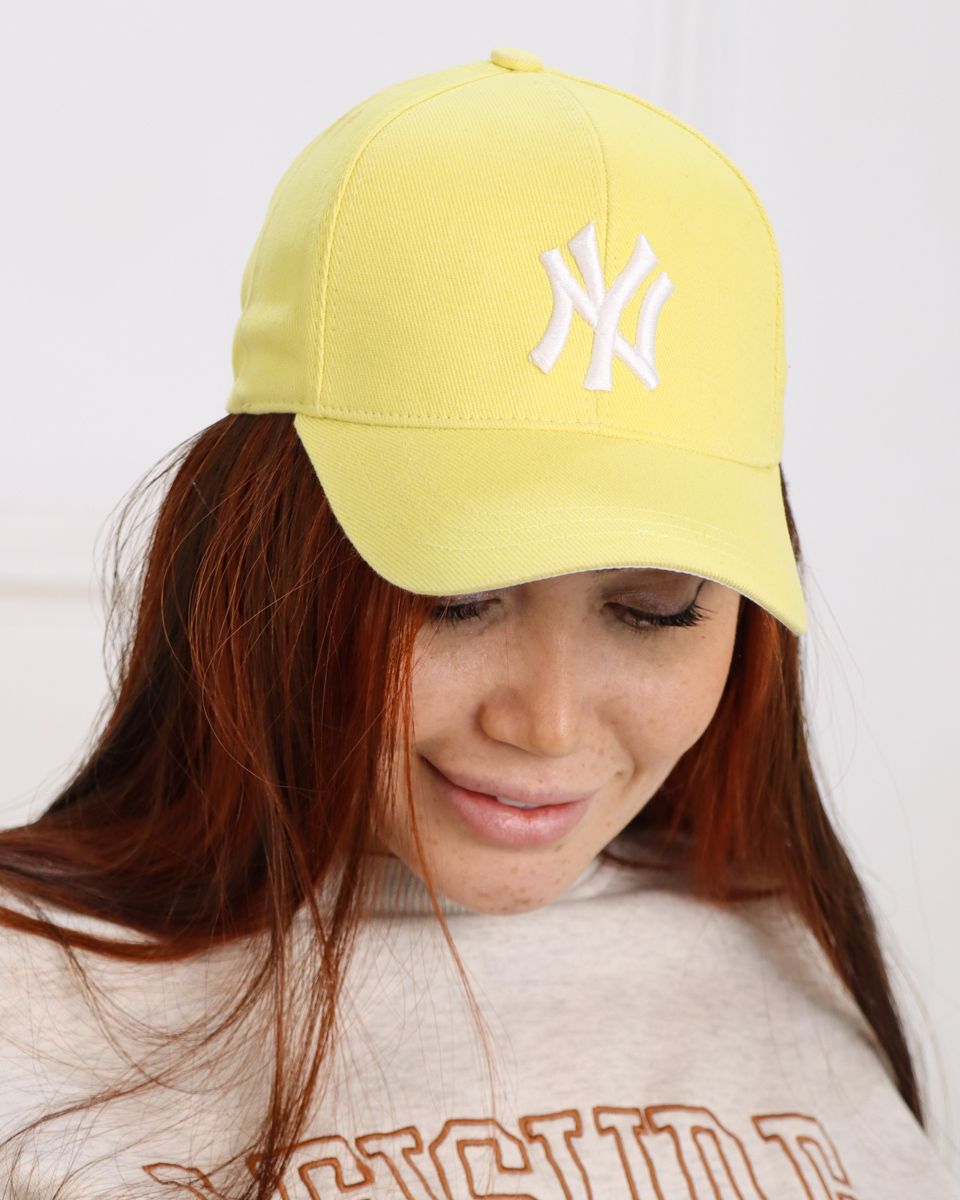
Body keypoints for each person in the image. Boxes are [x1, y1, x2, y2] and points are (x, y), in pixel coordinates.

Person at [0, 45, 954, 1200]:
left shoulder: (781, 953)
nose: (547, 723)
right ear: (258, 548)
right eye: (451, 595)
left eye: (653, 611)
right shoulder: (31, 1006)